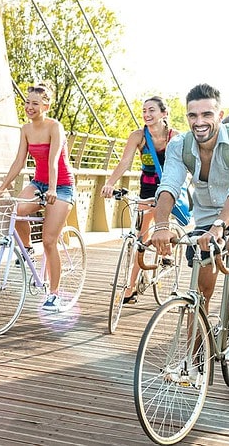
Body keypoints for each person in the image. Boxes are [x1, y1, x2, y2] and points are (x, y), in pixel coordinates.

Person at [150, 83, 229, 338]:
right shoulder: (179, 145)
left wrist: (220, 226)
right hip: (207, 215)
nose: (199, 122)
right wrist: (161, 226)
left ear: (220, 115)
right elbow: (170, 186)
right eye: (193, 115)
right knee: (200, 292)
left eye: (207, 114)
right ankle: (193, 367)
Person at [0, 83, 76, 312]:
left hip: (61, 186)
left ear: (46, 106)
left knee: (49, 241)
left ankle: (54, 294)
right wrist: (2, 187)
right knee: (16, 211)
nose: (29, 107)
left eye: (35, 103)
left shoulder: (55, 127)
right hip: (38, 182)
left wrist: (52, 189)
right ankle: (28, 249)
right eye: (27, 102)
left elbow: (53, 160)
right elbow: (19, 161)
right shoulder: (25, 129)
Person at [100, 96, 179, 305]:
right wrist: (110, 182)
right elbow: (125, 161)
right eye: (144, 111)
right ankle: (131, 286)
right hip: (147, 188)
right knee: (140, 237)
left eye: (152, 110)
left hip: (168, 188)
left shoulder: (175, 137)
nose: (147, 115)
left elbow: (187, 164)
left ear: (164, 113)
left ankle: (166, 250)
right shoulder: (138, 136)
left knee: (161, 221)